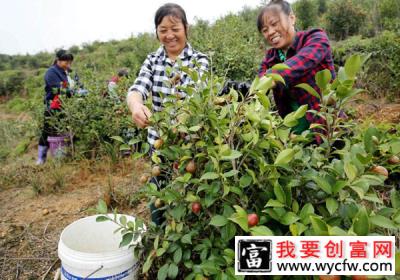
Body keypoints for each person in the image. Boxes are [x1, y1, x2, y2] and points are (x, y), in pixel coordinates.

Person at [126, 3, 209, 225]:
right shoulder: (152, 61)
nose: (169, 35)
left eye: (175, 29)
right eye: (163, 30)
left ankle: (193, 235)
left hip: (190, 144)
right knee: (158, 193)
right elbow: (137, 88)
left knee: (195, 193)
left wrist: (181, 122)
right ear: (156, 33)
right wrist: (136, 106)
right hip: (160, 144)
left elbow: (195, 97)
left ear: (186, 28)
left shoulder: (199, 60)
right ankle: (160, 233)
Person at [257, 0, 335, 139]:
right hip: (295, 131)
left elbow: (302, 62)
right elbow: (259, 82)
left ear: (291, 18)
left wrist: (272, 78)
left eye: (274, 24)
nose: (271, 32)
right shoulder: (270, 57)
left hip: (325, 125)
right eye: (265, 30)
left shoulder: (315, 37)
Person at [36, 49, 74, 165]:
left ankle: (62, 156)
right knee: (47, 131)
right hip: (52, 107)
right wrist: (71, 91)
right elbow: (56, 89)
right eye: (66, 62)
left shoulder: (65, 72)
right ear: (58, 60)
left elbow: (67, 85)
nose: (68, 64)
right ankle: (41, 158)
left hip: (64, 106)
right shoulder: (51, 72)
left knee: (64, 130)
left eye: (69, 62)